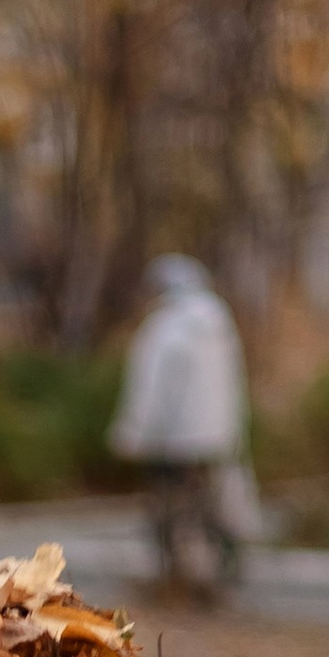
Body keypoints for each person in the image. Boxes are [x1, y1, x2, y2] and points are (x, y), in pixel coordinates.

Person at [108, 252, 253, 599]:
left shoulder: (165, 327)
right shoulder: (221, 324)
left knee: (172, 511)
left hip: (171, 442)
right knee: (209, 506)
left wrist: (132, 435)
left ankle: (180, 579)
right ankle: (216, 572)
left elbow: (151, 387)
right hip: (215, 440)